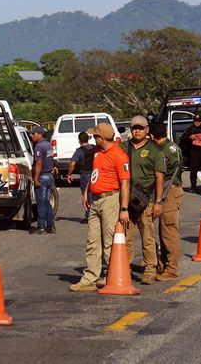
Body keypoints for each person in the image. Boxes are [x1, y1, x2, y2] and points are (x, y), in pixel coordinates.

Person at [69, 123, 130, 292]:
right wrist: (86, 192)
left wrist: (124, 209)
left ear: (101, 138)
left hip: (110, 200)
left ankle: (113, 276)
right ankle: (90, 278)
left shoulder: (119, 155)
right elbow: (95, 173)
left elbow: (125, 183)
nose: (93, 139)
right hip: (95, 200)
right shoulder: (97, 152)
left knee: (109, 241)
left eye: (95, 136)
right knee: (93, 241)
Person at [120, 115, 166, 285]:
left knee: (147, 236)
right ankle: (124, 267)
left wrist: (158, 202)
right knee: (126, 237)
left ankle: (150, 269)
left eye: (140, 128)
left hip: (147, 200)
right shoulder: (123, 147)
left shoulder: (155, 150)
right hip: (126, 200)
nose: (137, 131)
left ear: (147, 130)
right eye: (134, 128)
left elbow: (160, 177)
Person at [149, 123, 184, 281]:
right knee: (165, 231)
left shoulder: (161, 151)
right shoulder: (174, 147)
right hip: (173, 190)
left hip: (168, 192)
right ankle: (163, 264)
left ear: (152, 136)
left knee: (169, 232)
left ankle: (171, 269)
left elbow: (161, 174)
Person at [30, 126, 57, 234]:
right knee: (47, 202)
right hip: (49, 176)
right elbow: (50, 158)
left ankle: (41, 226)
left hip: (42, 176)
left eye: (34, 133)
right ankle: (50, 226)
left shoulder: (39, 146)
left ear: (40, 134)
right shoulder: (48, 145)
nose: (32, 135)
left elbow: (39, 163)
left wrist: (35, 178)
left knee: (41, 203)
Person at [67, 132, 96, 224]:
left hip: (85, 175)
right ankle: (95, 214)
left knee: (87, 195)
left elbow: (72, 164)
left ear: (79, 141)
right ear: (88, 139)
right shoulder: (95, 148)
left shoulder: (79, 151)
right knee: (95, 195)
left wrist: (69, 174)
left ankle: (89, 216)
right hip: (96, 174)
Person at [180, 114, 201, 193]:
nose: (197, 123)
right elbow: (183, 138)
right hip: (194, 152)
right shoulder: (190, 129)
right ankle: (193, 187)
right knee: (193, 170)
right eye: (195, 121)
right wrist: (189, 138)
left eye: (198, 121)